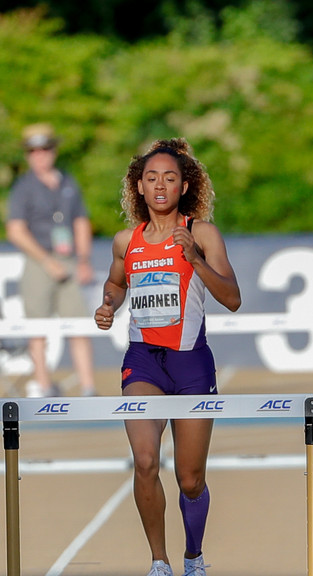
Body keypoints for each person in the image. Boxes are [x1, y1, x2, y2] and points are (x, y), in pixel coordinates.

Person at [94, 138, 241, 576]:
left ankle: (193, 556)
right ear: (138, 186)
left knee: (190, 478)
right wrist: (108, 304)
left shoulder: (202, 233)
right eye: (152, 178)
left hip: (190, 363)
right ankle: (159, 561)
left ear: (184, 186)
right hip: (142, 361)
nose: (160, 185)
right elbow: (116, 283)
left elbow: (232, 298)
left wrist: (194, 258)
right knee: (144, 461)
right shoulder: (127, 240)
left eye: (170, 178)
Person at [5, 123, 97, 397]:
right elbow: (16, 230)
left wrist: (83, 260)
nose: (40, 155)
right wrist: (46, 261)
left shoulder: (68, 181)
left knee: (78, 325)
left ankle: (88, 387)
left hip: (68, 259)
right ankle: (43, 385)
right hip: (38, 262)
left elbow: (81, 221)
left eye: (44, 149)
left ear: (53, 150)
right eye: (33, 151)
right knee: (38, 328)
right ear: (28, 155)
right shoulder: (23, 188)